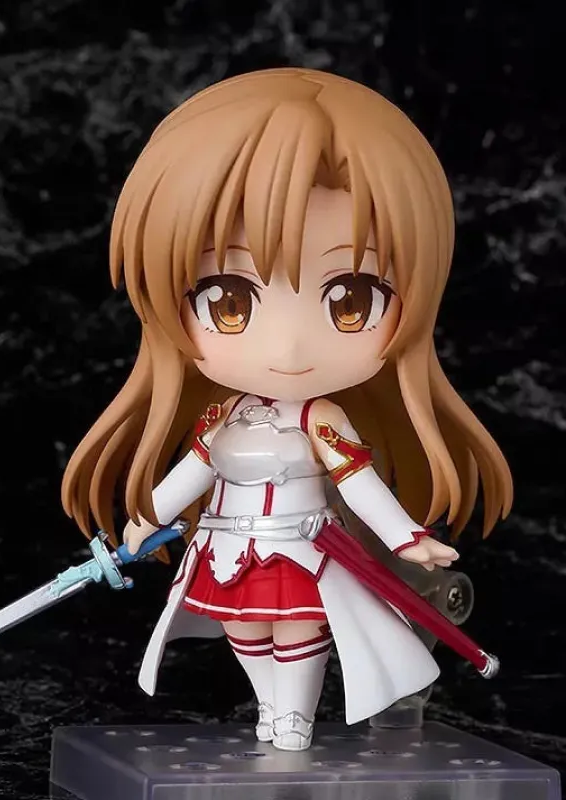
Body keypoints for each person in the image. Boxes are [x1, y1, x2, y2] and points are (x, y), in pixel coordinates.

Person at [61, 68, 513, 751]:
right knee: (243, 628)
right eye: (228, 301)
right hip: (227, 546)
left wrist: (405, 538)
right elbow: (191, 471)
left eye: (351, 300)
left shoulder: (320, 421)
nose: (290, 347)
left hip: (303, 546)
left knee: (300, 629)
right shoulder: (223, 418)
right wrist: (144, 520)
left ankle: (294, 715)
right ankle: (272, 705)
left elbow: (359, 483)